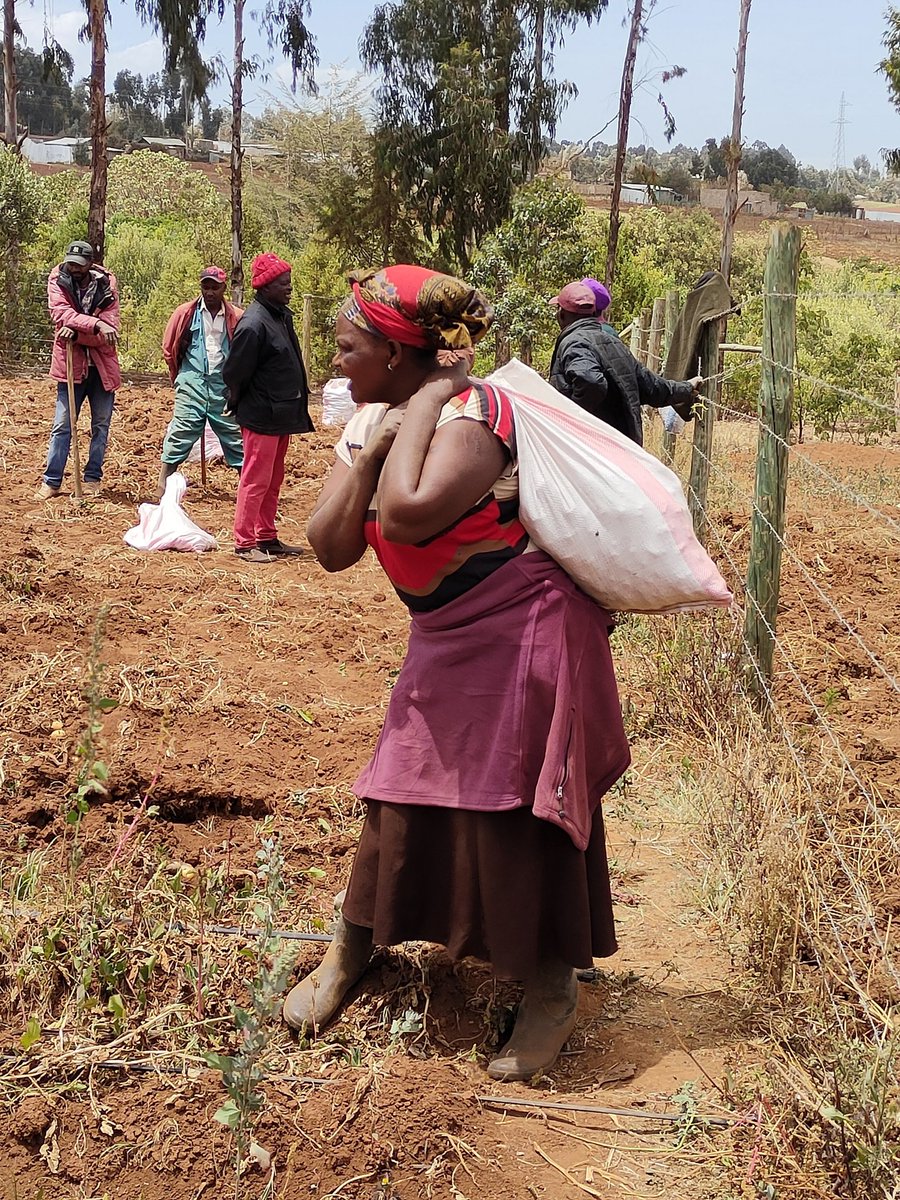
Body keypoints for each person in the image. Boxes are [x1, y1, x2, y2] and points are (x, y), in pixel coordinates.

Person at [282, 265, 631, 1083]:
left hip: (526, 628)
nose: (336, 364)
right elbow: (330, 545)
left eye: (348, 348)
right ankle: (351, 951)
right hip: (444, 631)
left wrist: (432, 403)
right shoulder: (371, 417)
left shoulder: (477, 416)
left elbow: (406, 515)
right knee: (401, 778)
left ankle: (548, 988)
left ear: (401, 354)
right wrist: (372, 442)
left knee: (521, 801)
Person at [222, 253, 313, 562]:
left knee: (273, 479)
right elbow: (234, 372)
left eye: (288, 281)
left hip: (281, 414)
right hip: (261, 414)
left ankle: (267, 536)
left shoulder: (280, 315)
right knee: (256, 479)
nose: (289, 287)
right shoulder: (253, 323)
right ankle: (245, 542)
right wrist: (244, 402)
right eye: (283, 283)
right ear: (266, 287)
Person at [548, 281, 702, 446]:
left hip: (592, 446)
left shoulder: (575, 343)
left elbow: (592, 383)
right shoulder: (614, 343)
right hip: (624, 447)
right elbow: (652, 387)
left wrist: (573, 418)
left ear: (562, 315)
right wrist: (687, 387)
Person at [36, 240, 120, 500]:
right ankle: (52, 481)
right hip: (70, 366)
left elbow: (110, 329)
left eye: (79, 265)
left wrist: (78, 331)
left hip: (102, 366)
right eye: (71, 263)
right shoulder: (57, 279)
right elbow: (60, 315)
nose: (73, 268)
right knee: (62, 425)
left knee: (101, 424)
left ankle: (92, 478)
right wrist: (94, 325)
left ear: (90, 265)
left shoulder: (107, 285)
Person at [158, 266, 244, 496]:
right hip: (192, 379)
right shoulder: (185, 313)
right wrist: (181, 377)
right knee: (181, 429)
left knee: (234, 435)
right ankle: (162, 490)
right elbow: (169, 348)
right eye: (206, 286)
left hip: (223, 383)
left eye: (215, 287)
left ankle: (248, 492)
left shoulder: (236, 316)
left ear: (223, 288)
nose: (210, 291)